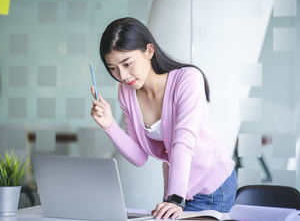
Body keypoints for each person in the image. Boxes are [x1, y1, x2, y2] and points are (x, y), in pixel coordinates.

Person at [90, 17, 236, 219]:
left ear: (149, 51)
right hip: (176, 190)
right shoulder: (126, 91)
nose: (122, 75)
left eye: (127, 63)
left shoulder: (188, 79)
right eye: (113, 68)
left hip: (210, 185)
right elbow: (139, 157)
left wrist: (175, 199)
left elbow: (183, 142)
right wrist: (109, 125)